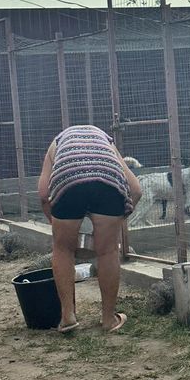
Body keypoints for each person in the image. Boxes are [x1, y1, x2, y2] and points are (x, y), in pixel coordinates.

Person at [37, 125, 142, 333]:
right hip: (108, 181)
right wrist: (116, 223)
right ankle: (108, 320)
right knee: (108, 251)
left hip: (67, 180)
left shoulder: (57, 143)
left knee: (62, 249)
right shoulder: (107, 142)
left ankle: (67, 317)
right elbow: (136, 190)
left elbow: (43, 194)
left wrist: (56, 227)